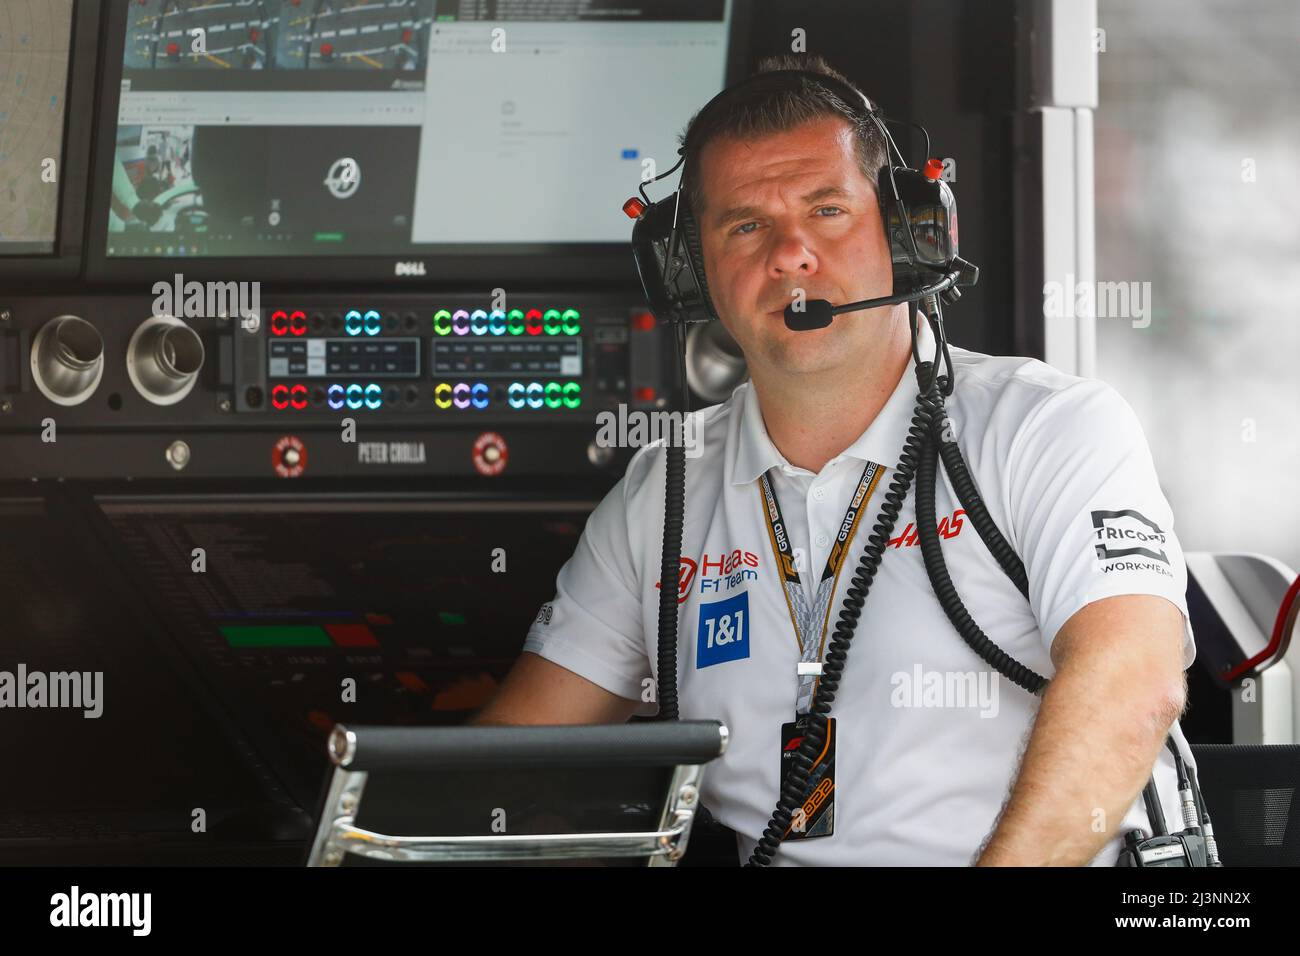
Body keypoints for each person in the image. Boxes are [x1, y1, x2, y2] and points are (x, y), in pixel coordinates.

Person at [471, 54, 1197, 867]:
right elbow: (517, 755)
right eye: (745, 225)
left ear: (906, 235)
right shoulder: (665, 491)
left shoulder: (1049, 428)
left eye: (826, 210)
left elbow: (1134, 684)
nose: (790, 254)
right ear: (690, 272)